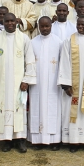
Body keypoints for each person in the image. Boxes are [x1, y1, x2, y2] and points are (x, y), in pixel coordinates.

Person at [0, 13, 36, 153]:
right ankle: (7, 141)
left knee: (19, 111)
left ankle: (20, 140)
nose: (10, 24)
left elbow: (30, 60)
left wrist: (26, 80)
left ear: (17, 22)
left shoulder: (24, 38)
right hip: (3, 82)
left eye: (12, 21)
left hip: (19, 82)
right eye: (7, 21)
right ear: (3, 22)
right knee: (4, 109)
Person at [58, 16, 84, 151]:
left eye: (83, 24)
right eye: (78, 24)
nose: (80, 26)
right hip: (73, 84)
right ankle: (73, 141)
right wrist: (66, 84)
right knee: (72, 110)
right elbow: (64, 61)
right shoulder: (69, 41)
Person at [28, 17, 63, 149]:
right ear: (38, 27)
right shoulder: (32, 42)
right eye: (42, 26)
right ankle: (37, 140)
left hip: (54, 83)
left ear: (51, 26)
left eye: (47, 26)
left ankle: (54, 140)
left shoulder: (59, 42)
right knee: (37, 108)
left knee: (53, 108)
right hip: (37, 83)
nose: (44, 29)